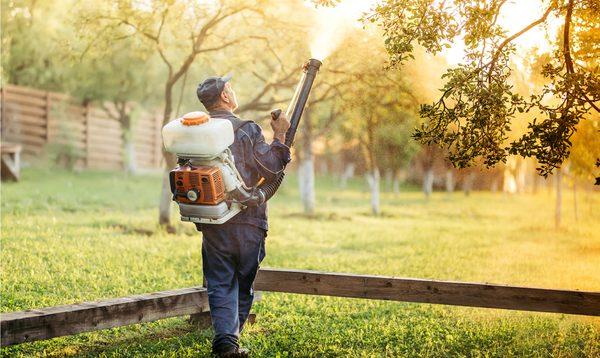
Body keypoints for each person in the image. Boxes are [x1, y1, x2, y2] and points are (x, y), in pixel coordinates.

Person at [195, 74, 291, 357]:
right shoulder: (246, 129)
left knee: (220, 281)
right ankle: (228, 344)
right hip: (249, 221)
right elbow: (272, 169)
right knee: (243, 283)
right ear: (225, 96)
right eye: (231, 88)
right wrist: (281, 135)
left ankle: (227, 344)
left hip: (215, 220)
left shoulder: (198, 132)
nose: (233, 91)